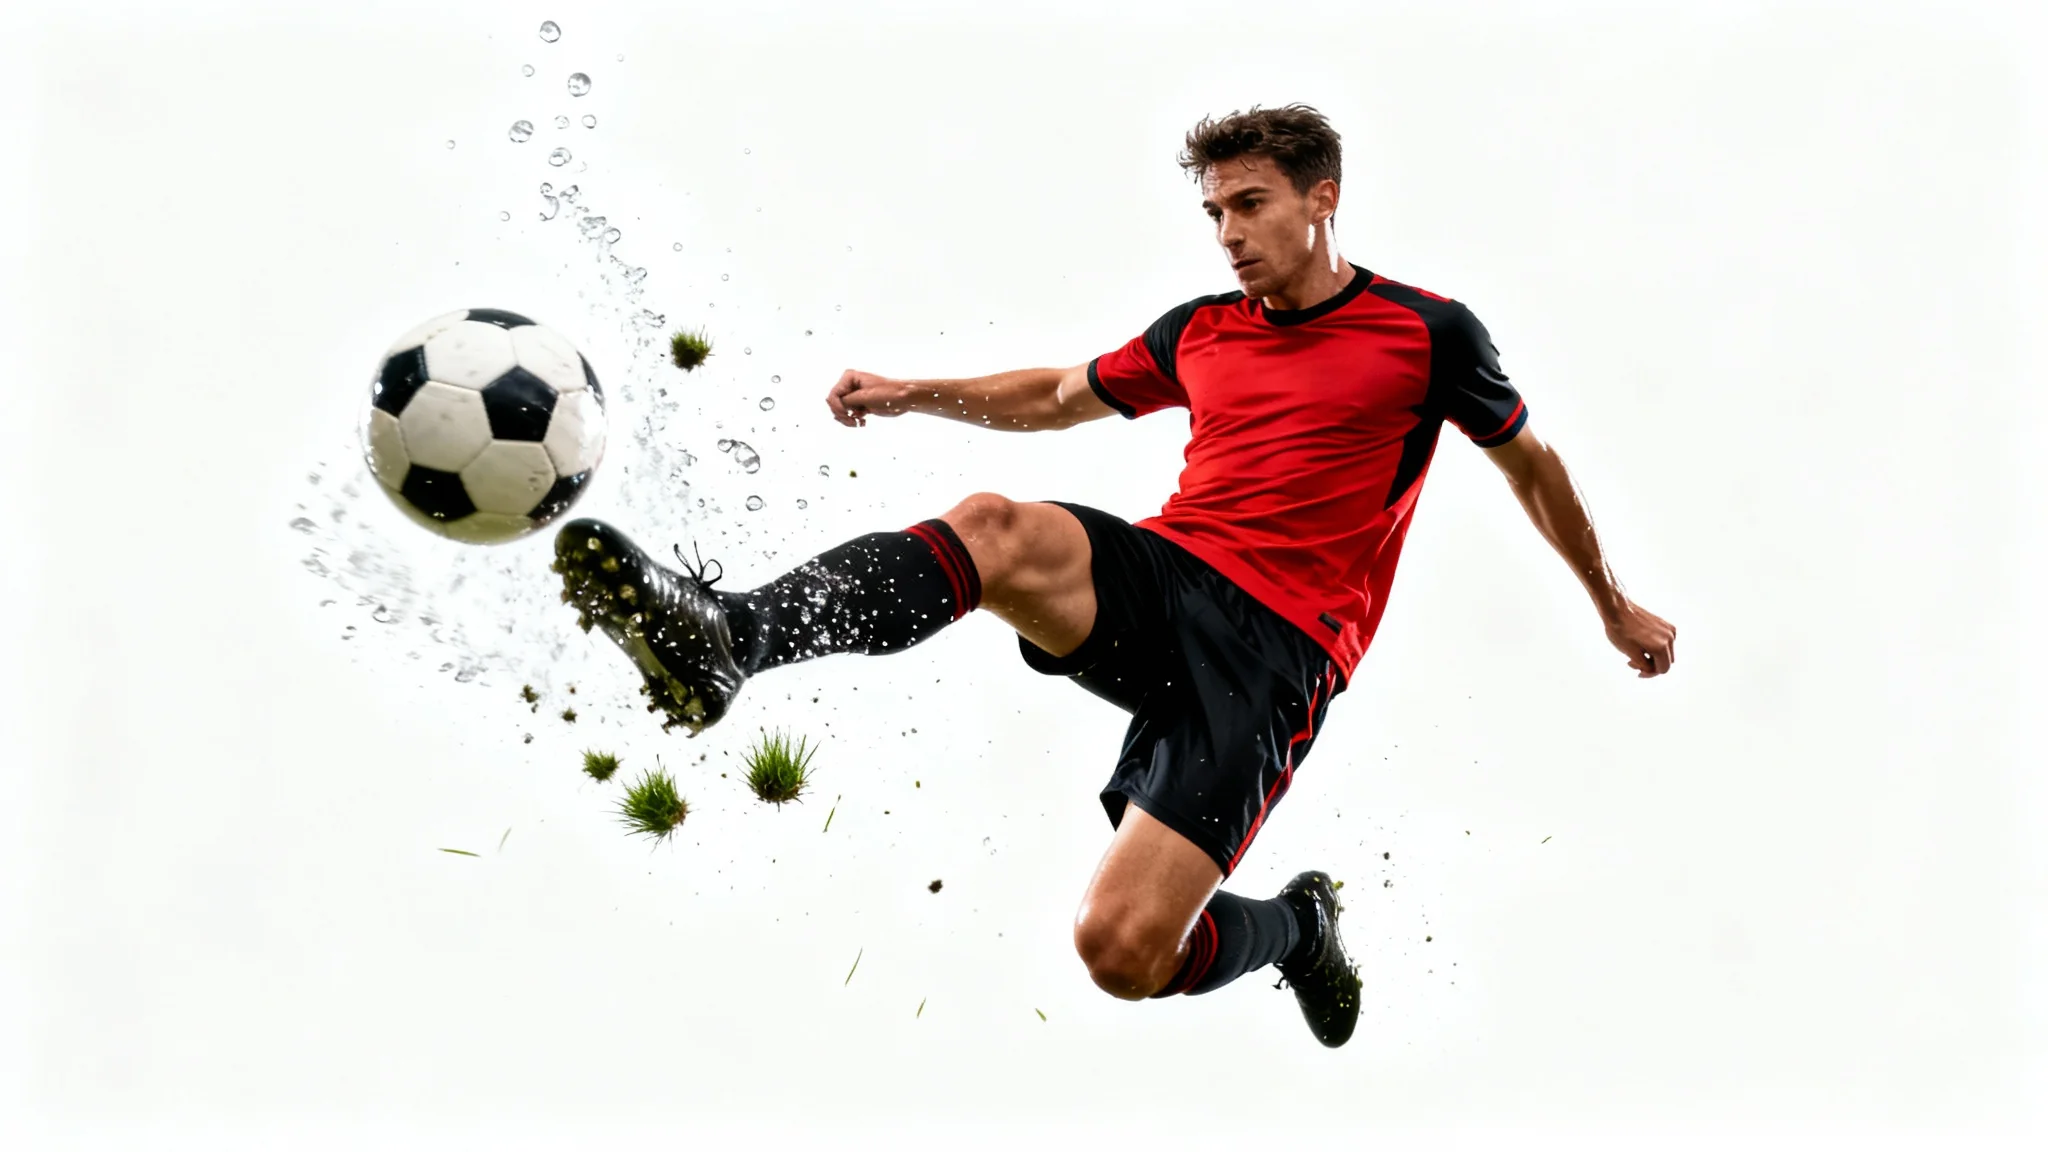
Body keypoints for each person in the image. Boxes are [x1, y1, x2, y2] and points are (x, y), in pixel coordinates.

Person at [551, 104, 1677, 1048]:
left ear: (1320, 197)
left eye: (1250, 206)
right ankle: (732, 635)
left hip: (1278, 653)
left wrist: (1609, 602)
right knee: (993, 527)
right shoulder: (1201, 331)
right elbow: (1055, 396)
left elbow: (1531, 468)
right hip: (1169, 576)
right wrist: (910, 389)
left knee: (1121, 955)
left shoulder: (1426, 333)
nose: (1228, 234)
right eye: (1214, 213)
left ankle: (1295, 931)